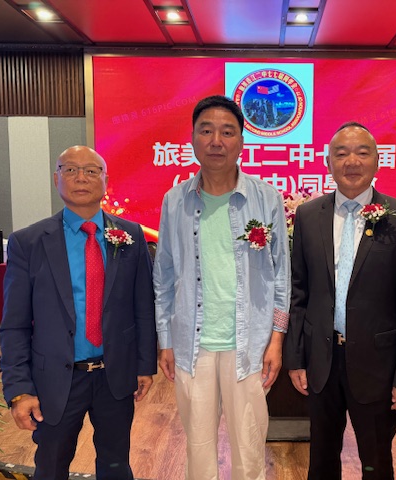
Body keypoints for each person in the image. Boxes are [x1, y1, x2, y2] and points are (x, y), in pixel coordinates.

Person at [153, 95, 290, 480]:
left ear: (242, 141)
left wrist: (276, 339)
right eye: (206, 131)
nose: (216, 141)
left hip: (250, 345)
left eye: (227, 132)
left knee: (250, 446)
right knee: (197, 447)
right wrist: (165, 339)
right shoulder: (174, 200)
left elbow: (282, 276)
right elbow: (164, 275)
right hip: (191, 344)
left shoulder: (266, 198)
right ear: (192, 139)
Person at [284, 122, 396, 480]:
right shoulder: (308, 215)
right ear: (328, 162)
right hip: (321, 361)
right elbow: (298, 292)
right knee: (321, 460)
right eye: (341, 153)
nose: (351, 161)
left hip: (378, 365)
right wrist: (296, 357)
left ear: (378, 161)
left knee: (376, 461)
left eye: (362, 152)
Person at [0, 146, 157, 480]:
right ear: (56, 178)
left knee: (116, 465)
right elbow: (14, 325)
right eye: (70, 170)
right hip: (55, 379)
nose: (81, 178)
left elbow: (143, 307)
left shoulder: (131, 235)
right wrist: (19, 389)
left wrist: (144, 365)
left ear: (105, 180)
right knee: (51, 466)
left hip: (114, 376)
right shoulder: (28, 242)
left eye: (91, 170)